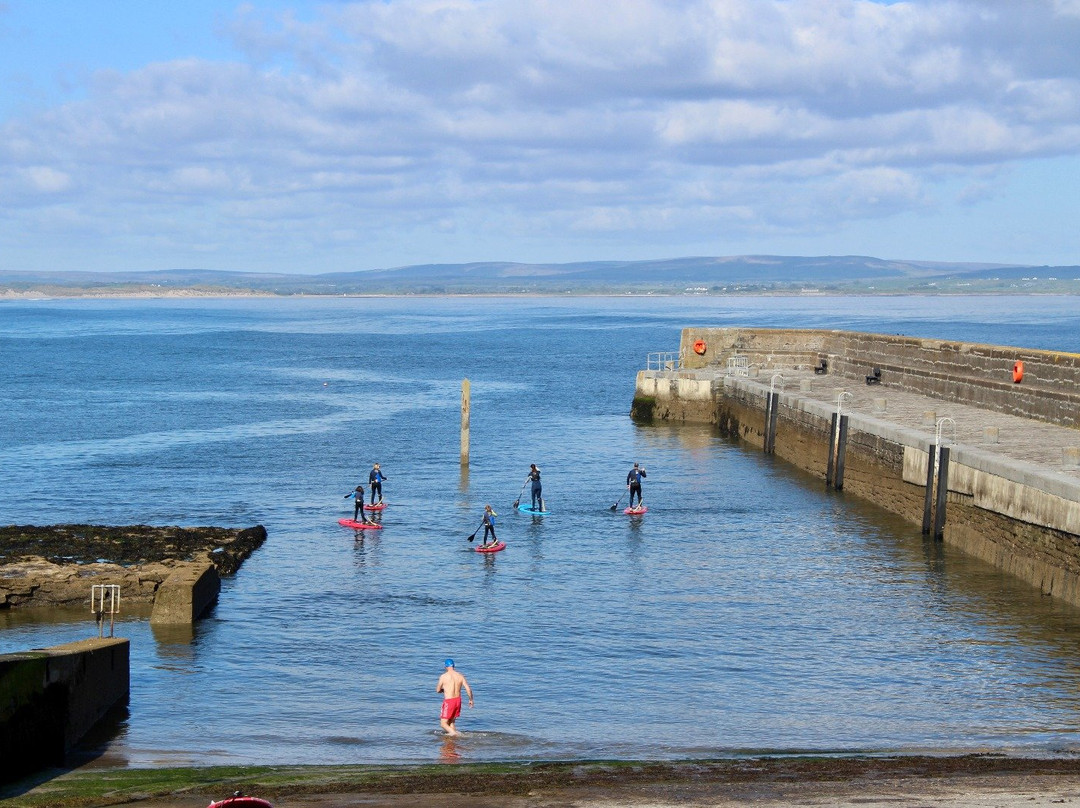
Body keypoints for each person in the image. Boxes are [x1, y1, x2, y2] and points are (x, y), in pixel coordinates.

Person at [436, 658, 473, 736]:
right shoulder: (460, 676)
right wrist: (471, 700)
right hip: (458, 701)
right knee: (451, 722)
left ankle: (454, 734)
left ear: (445, 667)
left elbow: (438, 690)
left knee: (443, 724)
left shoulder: (443, 676)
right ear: (454, 666)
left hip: (449, 701)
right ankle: (453, 741)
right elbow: (468, 689)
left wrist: (443, 690)